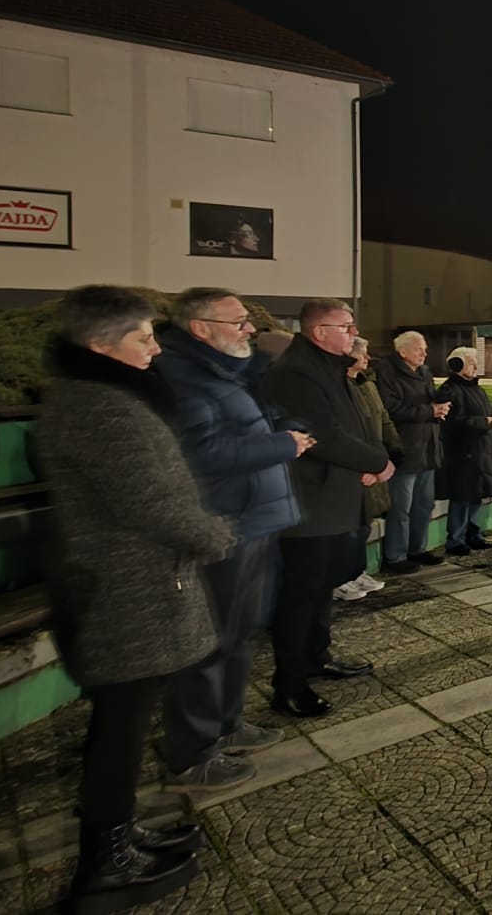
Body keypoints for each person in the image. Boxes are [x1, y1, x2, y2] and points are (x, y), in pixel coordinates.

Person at [37, 286, 235, 911]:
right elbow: (149, 501)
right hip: (127, 588)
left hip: (131, 583)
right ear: (101, 344)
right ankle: (104, 865)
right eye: (144, 336)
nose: (156, 345)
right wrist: (214, 534)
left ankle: (119, 836)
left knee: (124, 722)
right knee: (120, 728)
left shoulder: (99, 398)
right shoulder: (101, 408)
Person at [150, 288, 303, 793]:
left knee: (240, 632)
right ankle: (193, 752)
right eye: (238, 322)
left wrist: (286, 428)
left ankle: (228, 723)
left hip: (255, 518)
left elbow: (255, 421)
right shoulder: (183, 376)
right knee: (210, 640)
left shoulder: (231, 370)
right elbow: (202, 453)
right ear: (200, 327)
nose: (248, 331)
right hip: (224, 522)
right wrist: (282, 445)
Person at [262, 299, 392, 719]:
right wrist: (376, 462)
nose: (353, 333)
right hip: (311, 502)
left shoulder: (330, 368)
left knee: (321, 590)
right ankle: (289, 684)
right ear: (319, 332)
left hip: (336, 494)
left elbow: (353, 426)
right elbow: (323, 434)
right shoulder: (297, 372)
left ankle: (316, 656)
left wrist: (367, 463)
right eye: (346, 326)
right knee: (302, 593)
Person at [374, 331, 448, 573]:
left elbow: (429, 400)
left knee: (423, 504)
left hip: (427, 447)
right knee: (401, 507)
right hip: (405, 449)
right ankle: (395, 555)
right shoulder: (387, 372)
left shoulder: (424, 372)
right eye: (419, 349)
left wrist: (441, 407)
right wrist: (429, 411)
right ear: (402, 351)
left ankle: (418, 548)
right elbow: (391, 408)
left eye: (425, 348)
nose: (425, 353)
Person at [338, 338, 405, 601]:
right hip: (357, 467)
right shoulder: (342, 387)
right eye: (362, 354)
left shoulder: (367, 384)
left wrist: (394, 449)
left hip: (373, 462)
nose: (367, 358)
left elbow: (382, 420)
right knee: (347, 528)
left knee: (364, 525)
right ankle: (341, 578)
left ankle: (356, 572)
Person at [435, 348, 492, 553]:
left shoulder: (475, 388)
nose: (475, 366)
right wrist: (483, 422)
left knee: (475, 496)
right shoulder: (450, 390)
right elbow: (452, 423)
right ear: (458, 365)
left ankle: (473, 533)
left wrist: (491, 420)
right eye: (470, 362)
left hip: (480, 451)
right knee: (462, 498)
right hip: (462, 453)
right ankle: (456, 539)